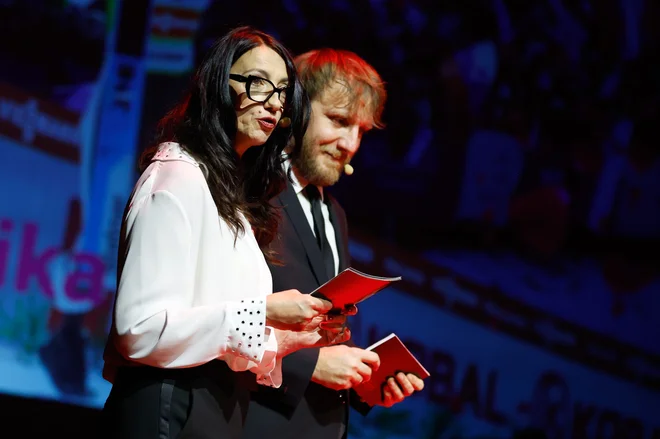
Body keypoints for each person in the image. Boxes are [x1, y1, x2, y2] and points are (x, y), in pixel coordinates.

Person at [99, 27, 351, 439]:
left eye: (283, 92)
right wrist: (264, 311)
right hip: (169, 405)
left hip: (217, 410)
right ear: (219, 85)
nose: (272, 102)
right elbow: (140, 331)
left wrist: (294, 336)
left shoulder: (227, 192)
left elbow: (216, 324)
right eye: (257, 83)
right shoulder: (177, 177)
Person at [242, 49, 425, 439]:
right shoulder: (249, 189)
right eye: (339, 121)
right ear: (297, 110)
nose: (350, 143)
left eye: (361, 130)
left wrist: (363, 381)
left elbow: (326, 328)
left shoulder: (333, 212)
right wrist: (311, 365)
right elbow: (217, 317)